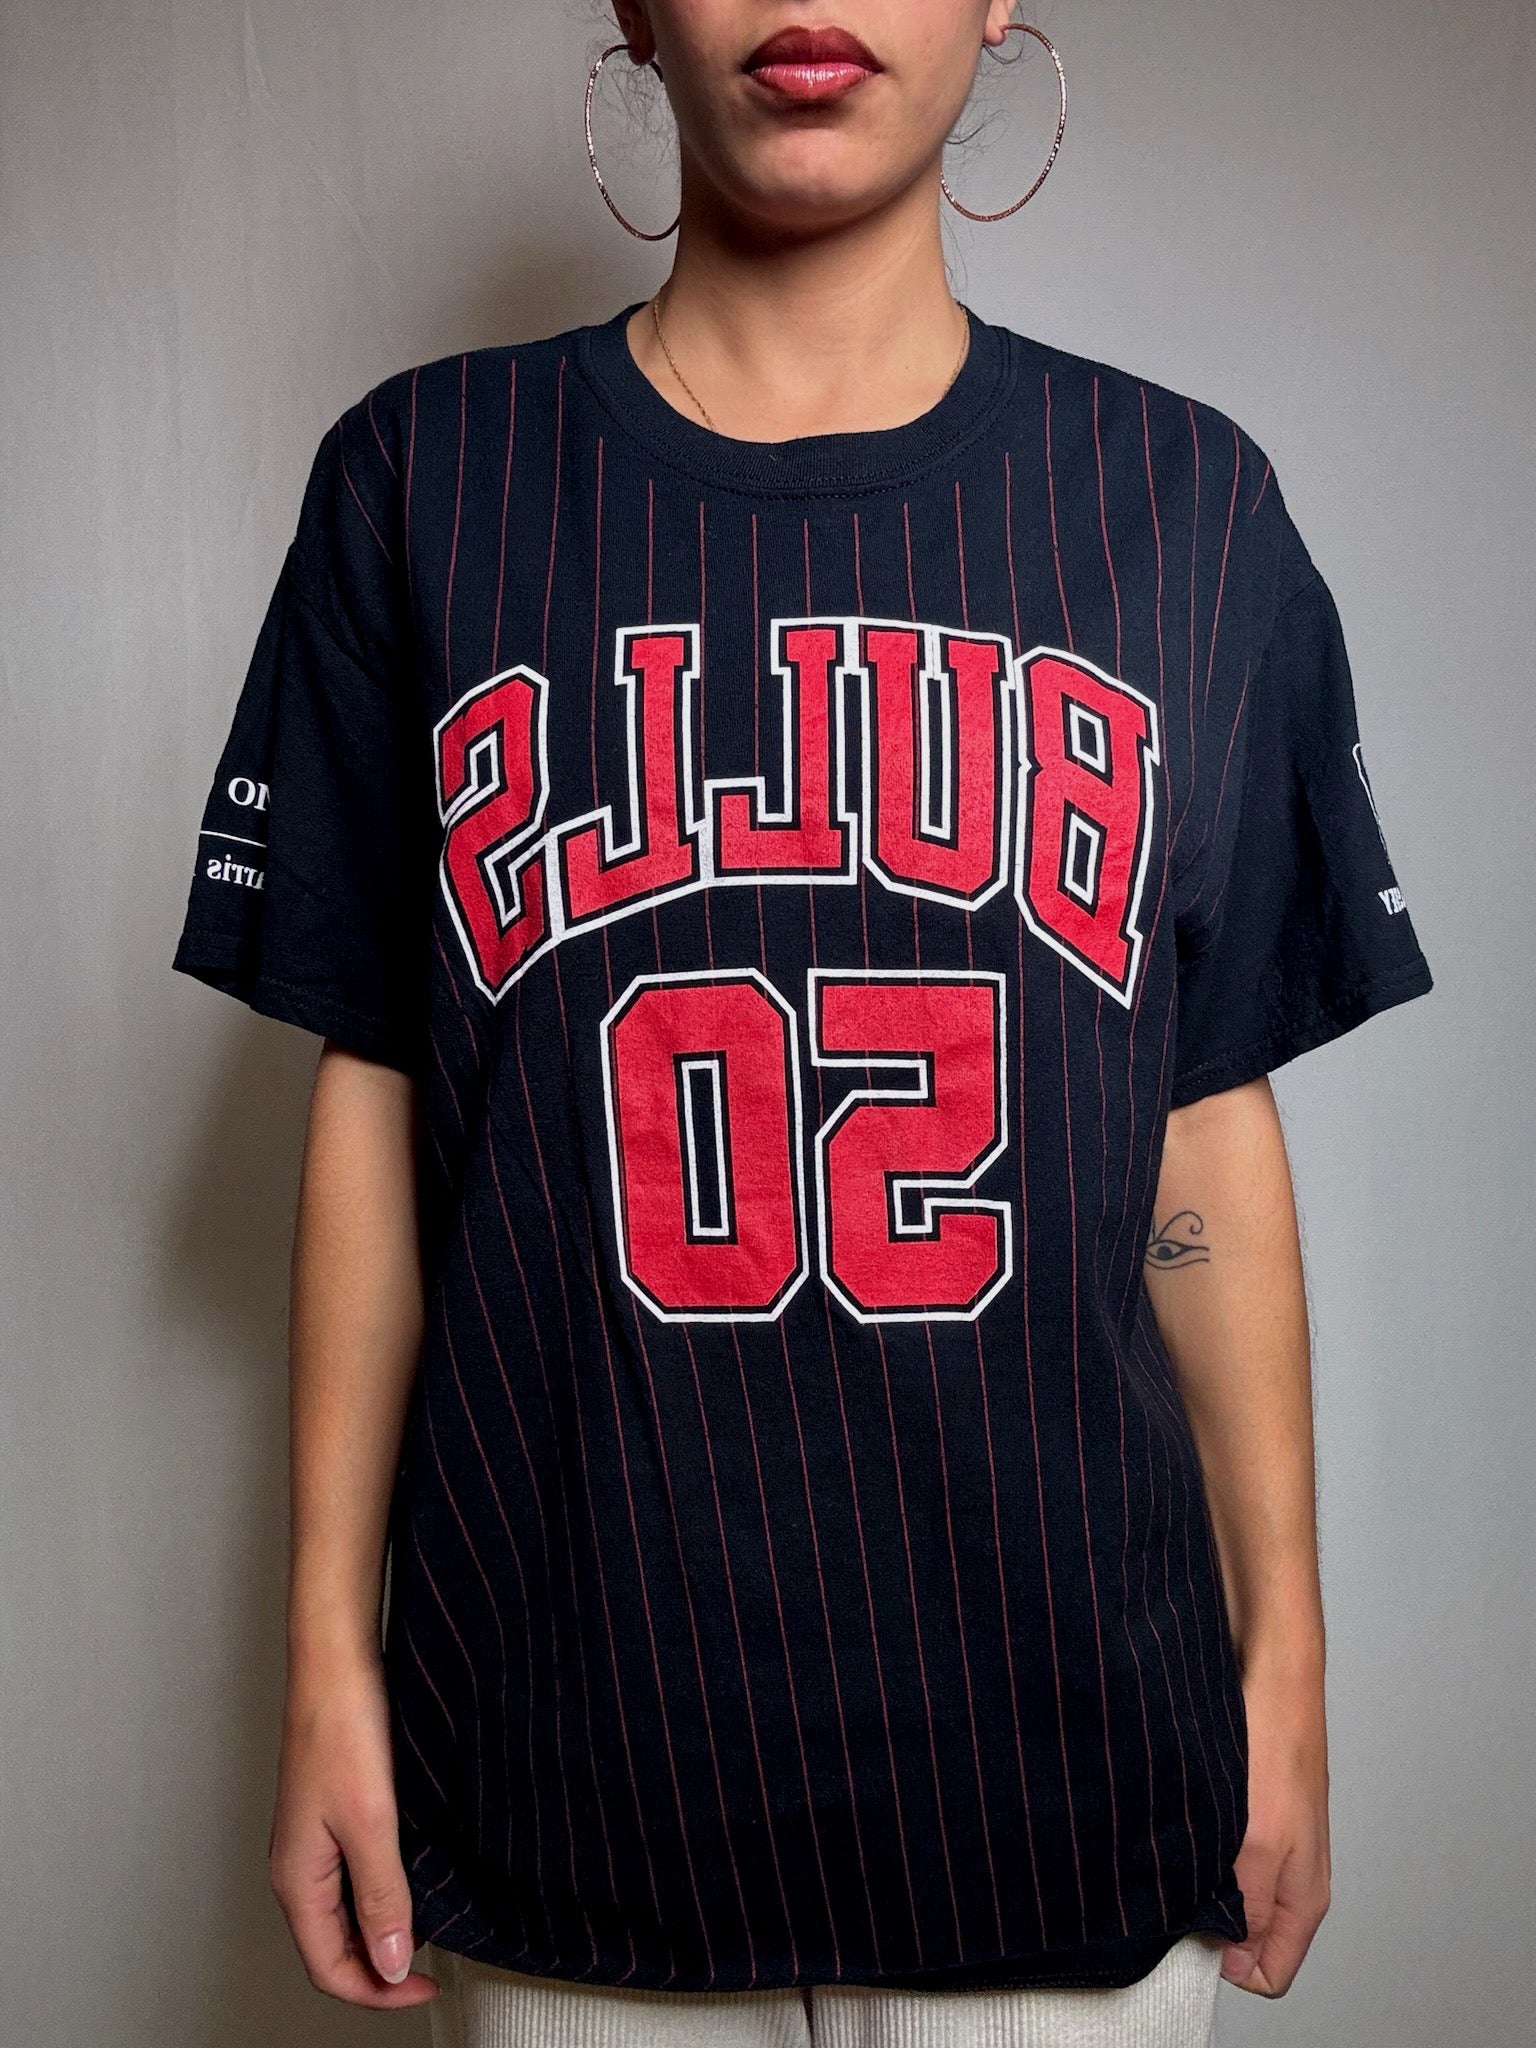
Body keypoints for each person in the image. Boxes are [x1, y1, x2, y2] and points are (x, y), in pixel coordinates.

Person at [172, 4, 1435, 2044]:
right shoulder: (424, 481)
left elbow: (1203, 1123)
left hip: (1071, 1792)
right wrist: (328, 1653)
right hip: (572, 1787)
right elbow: (382, 1089)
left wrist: (1284, 1653)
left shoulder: (1186, 504)